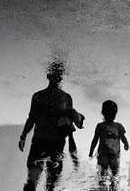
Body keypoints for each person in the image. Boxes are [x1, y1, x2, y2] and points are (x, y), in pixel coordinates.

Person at [18, 62, 84, 191]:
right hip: (56, 141)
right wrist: (71, 141)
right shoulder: (65, 97)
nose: (56, 78)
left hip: (42, 139)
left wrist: (23, 135)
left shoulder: (39, 96)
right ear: (59, 78)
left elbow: (32, 118)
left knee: (36, 173)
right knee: (51, 179)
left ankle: (33, 185)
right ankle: (38, 186)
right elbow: (68, 122)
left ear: (50, 76)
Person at [88, 100, 129, 183]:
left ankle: (113, 185)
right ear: (103, 112)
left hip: (115, 154)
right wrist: (91, 150)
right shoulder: (100, 126)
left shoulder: (118, 126)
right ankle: (101, 185)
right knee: (103, 169)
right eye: (110, 112)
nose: (112, 115)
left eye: (114, 113)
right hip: (103, 153)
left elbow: (122, 136)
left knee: (114, 170)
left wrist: (126, 143)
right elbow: (95, 139)